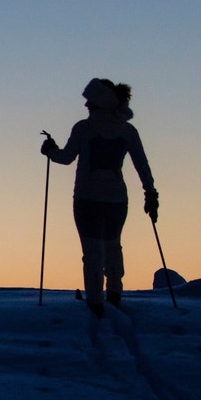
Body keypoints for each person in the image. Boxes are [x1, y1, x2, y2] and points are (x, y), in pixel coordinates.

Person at [42, 78, 158, 316]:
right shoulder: (127, 131)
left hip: (86, 199)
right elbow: (141, 165)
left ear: (99, 102)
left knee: (92, 251)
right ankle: (115, 292)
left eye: (90, 101)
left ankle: (95, 302)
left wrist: (50, 150)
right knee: (113, 246)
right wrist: (150, 192)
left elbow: (65, 158)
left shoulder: (83, 129)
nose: (86, 105)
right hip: (117, 200)